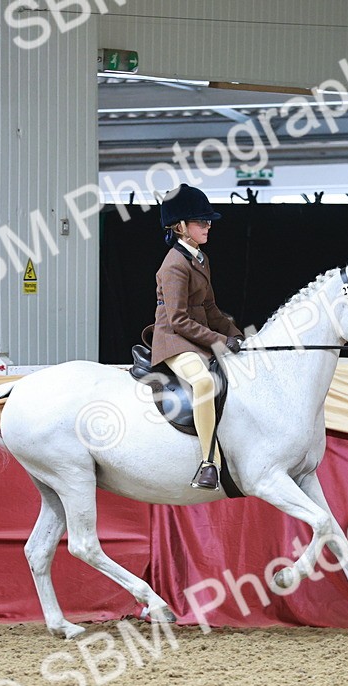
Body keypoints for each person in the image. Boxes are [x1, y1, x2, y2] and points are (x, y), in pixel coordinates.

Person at [145, 184, 244, 490]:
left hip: (195, 336)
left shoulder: (199, 258)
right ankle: (208, 462)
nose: (208, 226)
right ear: (180, 227)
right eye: (201, 222)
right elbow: (178, 320)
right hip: (174, 340)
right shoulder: (174, 265)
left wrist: (237, 336)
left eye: (208, 221)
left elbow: (210, 307)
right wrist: (218, 341)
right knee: (203, 382)